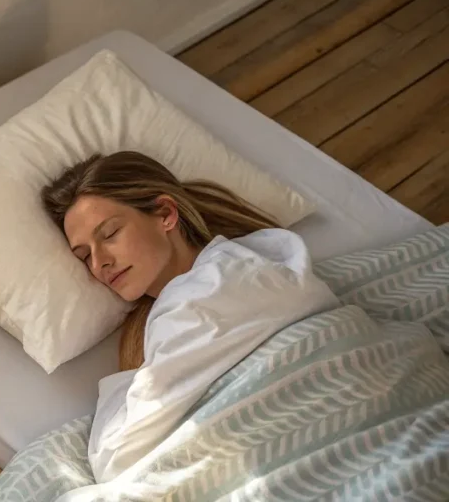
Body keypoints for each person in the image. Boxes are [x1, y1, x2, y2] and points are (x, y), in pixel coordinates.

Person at [40, 150, 339, 483]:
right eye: (84, 256)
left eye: (109, 234)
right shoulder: (253, 258)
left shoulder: (199, 300)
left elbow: (117, 457)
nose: (99, 263)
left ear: (166, 214)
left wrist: (121, 389)